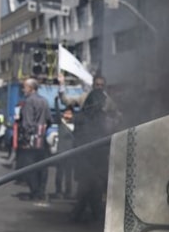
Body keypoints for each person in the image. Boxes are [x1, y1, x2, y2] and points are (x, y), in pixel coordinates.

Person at [60, 74, 118, 222]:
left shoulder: (108, 107)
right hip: (87, 155)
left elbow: (114, 124)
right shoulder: (84, 104)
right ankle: (90, 214)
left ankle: (84, 214)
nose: (99, 87)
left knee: (92, 185)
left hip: (98, 155)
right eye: (96, 85)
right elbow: (68, 102)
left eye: (101, 85)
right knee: (89, 185)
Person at [18, 78, 53, 203]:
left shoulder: (29, 101)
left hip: (31, 139)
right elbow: (49, 119)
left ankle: (34, 191)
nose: (23, 90)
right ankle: (41, 191)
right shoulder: (44, 101)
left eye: (25, 87)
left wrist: (26, 138)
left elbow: (27, 123)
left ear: (30, 88)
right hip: (41, 137)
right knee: (42, 167)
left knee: (30, 166)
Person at [51, 105, 75, 199]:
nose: (67, 114)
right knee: (59, 173)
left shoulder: (75, 124)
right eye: (66, 112)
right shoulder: (61, 123)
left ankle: (68, 192)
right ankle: (58, 191)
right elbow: (57, 115)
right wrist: (56, 102)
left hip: (71, 152)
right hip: (61, 152)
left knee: (69, 174)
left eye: (70, 113)